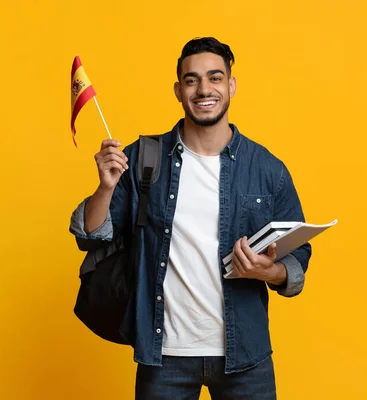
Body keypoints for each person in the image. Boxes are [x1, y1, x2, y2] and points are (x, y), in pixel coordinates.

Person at [69, 37, 312, 400]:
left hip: (245, 354)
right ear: (178, 91)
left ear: (230, 86)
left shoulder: (267, 170)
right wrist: (105, 188)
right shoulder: (143, 158)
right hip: (164, 355)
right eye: (191, 80)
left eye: (215, 78)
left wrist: (268, 272)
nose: (204, 89)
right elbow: (91, 236)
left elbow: (298, 259)